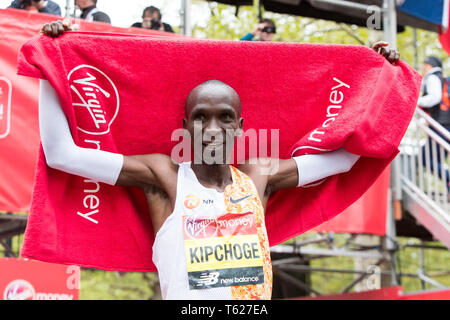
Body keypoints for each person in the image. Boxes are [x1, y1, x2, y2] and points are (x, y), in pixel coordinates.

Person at [39, 21, 399, 300]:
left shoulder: (260, 175)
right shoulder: (164, 176)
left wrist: (379, 77)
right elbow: (61, 155)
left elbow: (346, 159)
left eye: (224, 117)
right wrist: (50, 62)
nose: (213, 128)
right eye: (201, 117)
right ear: (185, 127)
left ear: (240, 127)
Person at [417, 56, 450, 192]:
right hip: (445, 124)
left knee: (425, 158)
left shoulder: (432, 77)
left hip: (439, 124)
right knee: (435, 160)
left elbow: (434, 98)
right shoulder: (442, 78)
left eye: (424, 64)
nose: (423, 68)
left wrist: (415, 101)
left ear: (429, 65)